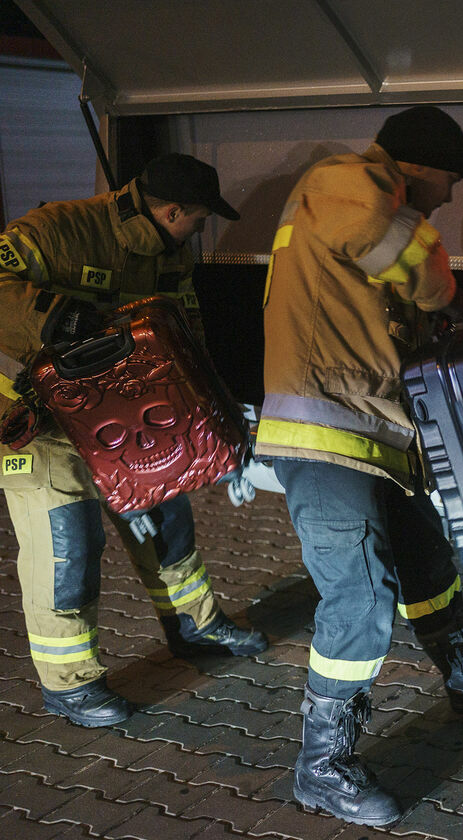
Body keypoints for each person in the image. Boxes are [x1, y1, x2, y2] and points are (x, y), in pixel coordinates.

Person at [254, 105, 463, 826]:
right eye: (449, 182)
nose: (449, 199)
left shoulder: (354, 202)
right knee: (359, 597)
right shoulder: (345, 183)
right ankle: (322, 768)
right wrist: (444, 291)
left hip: (371, 432)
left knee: (427, 561)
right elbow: (408, 261)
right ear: (419, 165)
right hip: (325, 435)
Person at [0, 154, 269, 727]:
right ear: (172, 210)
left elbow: (183, 331)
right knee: (66, 545)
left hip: (123, 421)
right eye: (198, 220)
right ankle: (69, 685)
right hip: (37, 421)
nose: (201, 231)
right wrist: (53, 318)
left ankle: (193, 626)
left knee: (168, 520)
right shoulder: (60, 229)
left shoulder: (169, 253)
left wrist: (215, 414)